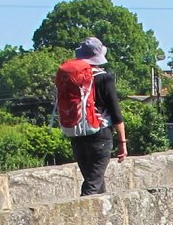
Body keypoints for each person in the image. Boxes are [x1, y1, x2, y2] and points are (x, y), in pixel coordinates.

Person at [54, 37, 127, 195]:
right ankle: (78, 218)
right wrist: (122, 142)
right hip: (100, 135)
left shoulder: (72, 78)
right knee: (92, 186)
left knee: (94, 179)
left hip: (77, 133)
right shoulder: (104, 78)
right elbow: (116, 113)